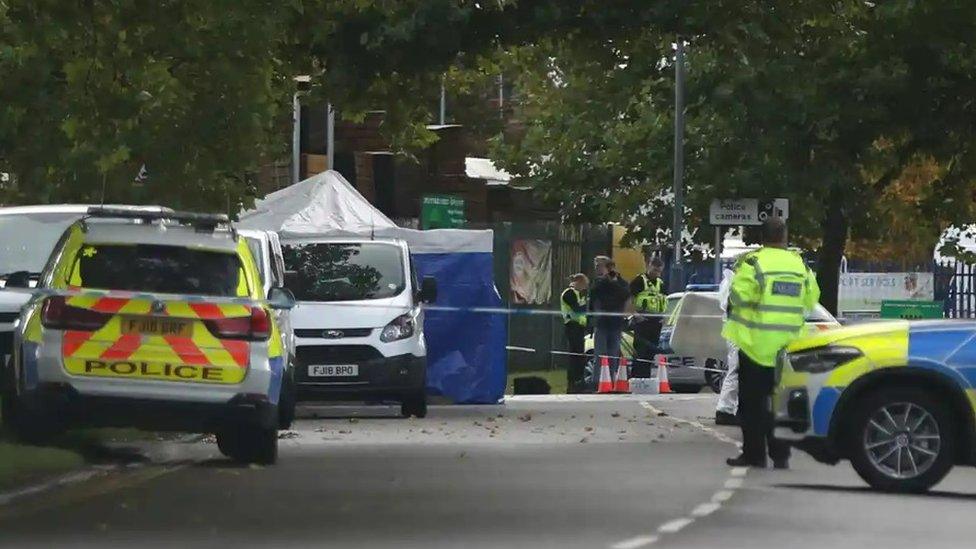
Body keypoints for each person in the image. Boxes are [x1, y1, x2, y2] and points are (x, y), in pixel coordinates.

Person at [722, 217, 820, 469]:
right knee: (782, 403)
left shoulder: (753, 263)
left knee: (752, 406)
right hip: (788, 348)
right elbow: (812, 299)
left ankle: (754, 454)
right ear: (785, 236)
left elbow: (739, 297)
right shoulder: (799, 265)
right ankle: (781, 455)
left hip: (755, 347)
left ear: (761, 238)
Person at [589, 256, 630, 391]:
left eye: (599, 266)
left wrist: (613, 282)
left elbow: (625, 294)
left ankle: (611, 382)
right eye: (595, 266)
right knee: (600, 356)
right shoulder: (598, 282)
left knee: (613, 355)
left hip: (616, 324)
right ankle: (596, 383)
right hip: (601, 323)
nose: (597, 269)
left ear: (609, 267)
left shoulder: (621, 282)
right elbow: (594, 294)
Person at [630, 256, 666, 378]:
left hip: (656, 322)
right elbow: (629, 299)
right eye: (655, 270)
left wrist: (663, 317)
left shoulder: (661, 283)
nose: (657, 273)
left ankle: (646, 379)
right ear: (649, 266)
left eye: (659, 271)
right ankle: (637, 378)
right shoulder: (639, 280)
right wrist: (635, 315)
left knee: (651, 353)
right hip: (642, 322)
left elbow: (665, 301)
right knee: (640, 352)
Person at [561, 273, 589, 393]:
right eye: (584, 284)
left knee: (579, 355)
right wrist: (588, 304)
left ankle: (578, 382)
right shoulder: (569, 293)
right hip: (572, 326)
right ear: (579, 282)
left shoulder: (578, 294)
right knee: (574, 356)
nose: (585, 287)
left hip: (579, 327)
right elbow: (577, 309)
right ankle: (572, 384)